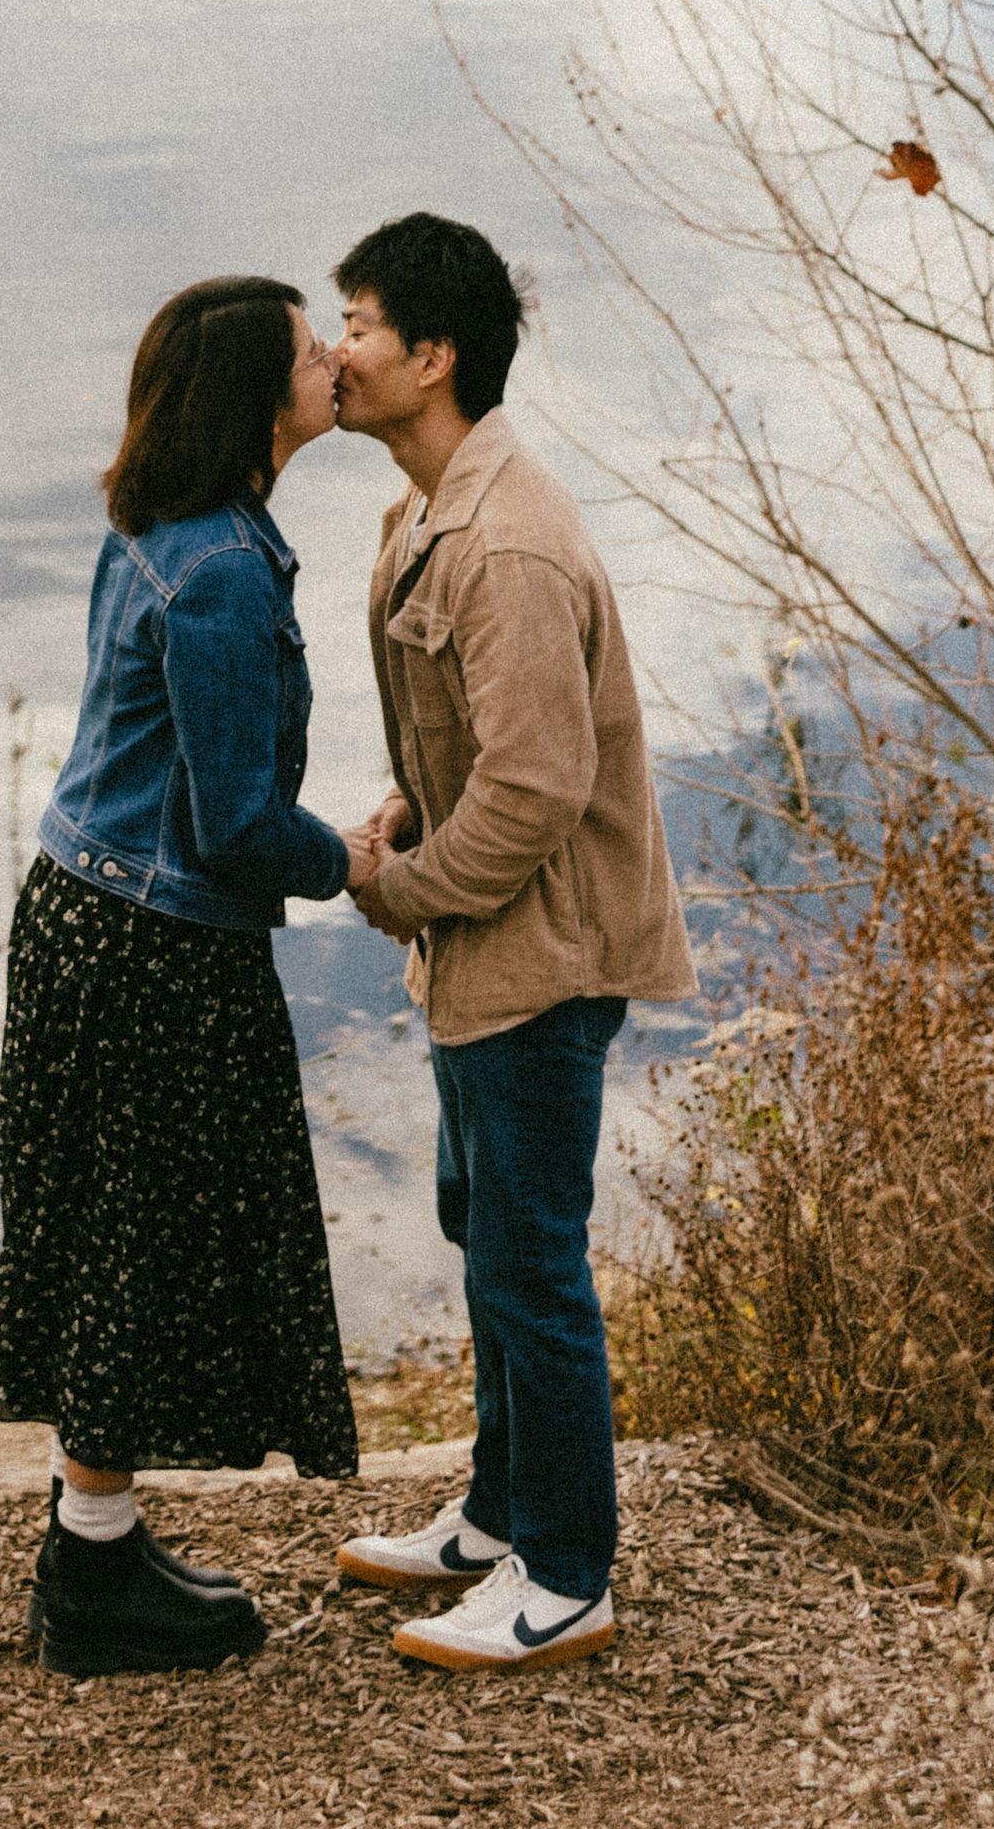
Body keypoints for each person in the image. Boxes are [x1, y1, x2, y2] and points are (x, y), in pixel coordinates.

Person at [0, 270, 367, 1677]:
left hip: (84, 913)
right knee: (139, 1239)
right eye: (311, 350)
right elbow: (239, 823)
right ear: (257, 400)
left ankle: (97, 1536)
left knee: (109, 1228)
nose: (334, 361)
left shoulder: (161, 528)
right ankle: (91, 1582)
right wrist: (355, 861)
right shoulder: (220, 575)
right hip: (152, 946)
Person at [326, 210, 695, 1673]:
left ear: (433, 357)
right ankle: (497, 1513)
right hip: (489, 945)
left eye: (359, 326)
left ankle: (568, 1574)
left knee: (531, 1263)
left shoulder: (505, 545)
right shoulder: (423, 515)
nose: (337, 351)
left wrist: (404, 889)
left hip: (545, 953)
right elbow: (476, 742)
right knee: (483, 1234)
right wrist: (407, 807)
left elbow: (537, 786)